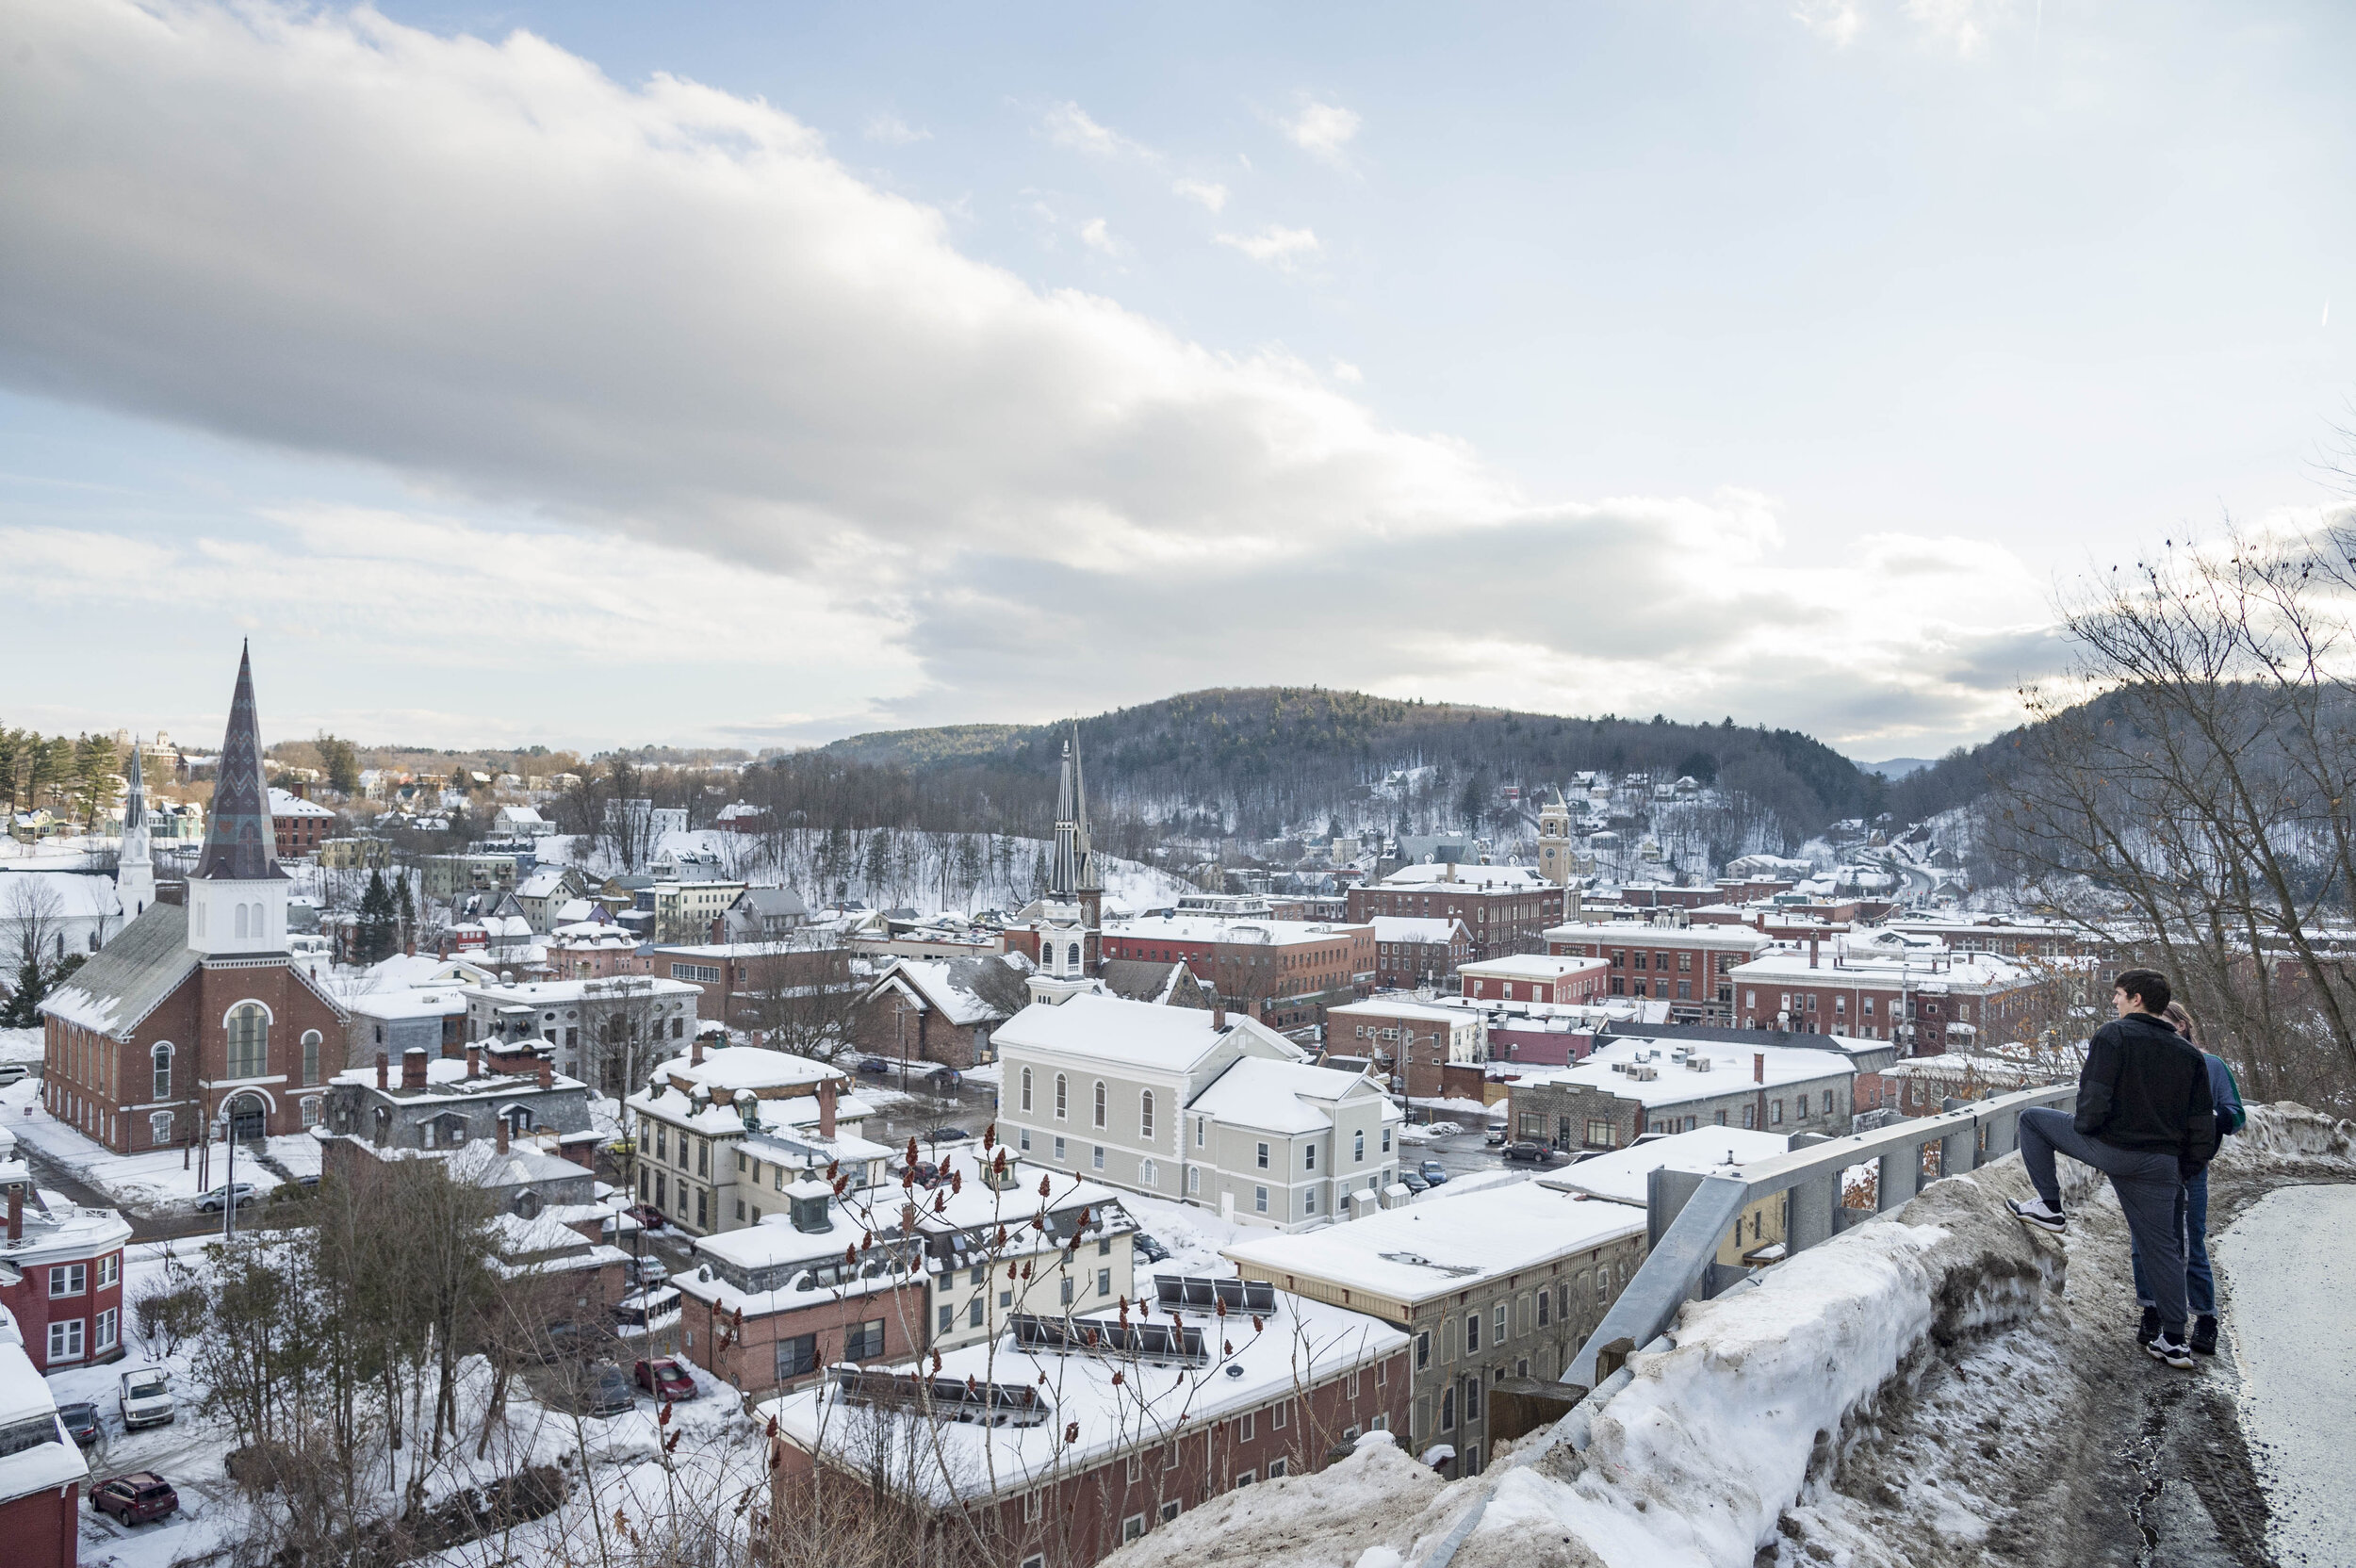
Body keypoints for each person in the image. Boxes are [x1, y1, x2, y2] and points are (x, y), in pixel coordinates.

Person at [2007, 969, 2218, 1369]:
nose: (2115, 1002)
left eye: (2119, 995)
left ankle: (2050, 1206)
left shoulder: (2113, 1035)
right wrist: (2183, 1168)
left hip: (2113, 1148)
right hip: (2161, 1164)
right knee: (2166, 1250)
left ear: (2137, 999)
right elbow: (2200, 1123)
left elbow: (2094, 1095)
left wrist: (2089, 1133)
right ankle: (2175, 1340)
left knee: (2033, 1120)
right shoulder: (2189, 1054)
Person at [2127, 1003, 2246, 1354]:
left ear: (2182, 1025)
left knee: (2192, 1243)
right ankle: (2152, 1311)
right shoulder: (2145, 1065)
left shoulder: (2211, 1065)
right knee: (2143, 1243)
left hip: (2191, 1168)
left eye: (2165, 1024)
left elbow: (2236, 1115)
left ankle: (2205, 1318)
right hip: (2149, 1167)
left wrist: (2206, 1118)